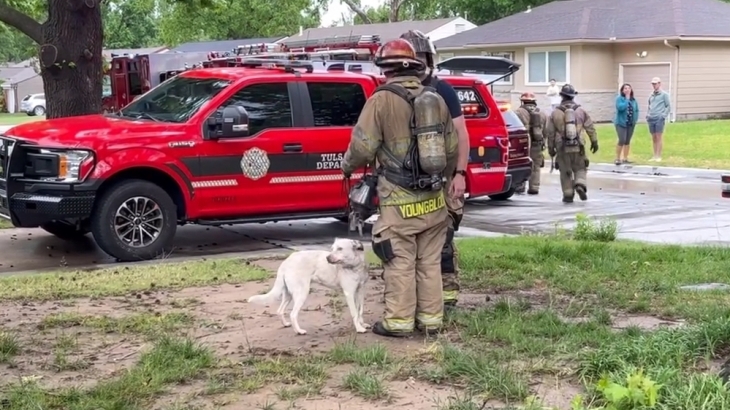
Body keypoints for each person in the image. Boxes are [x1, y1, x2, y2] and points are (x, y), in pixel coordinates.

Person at [341, 39, 458, 337]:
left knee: (399, 260)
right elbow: (451, 148)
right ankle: (431, 320)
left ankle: (398, 322)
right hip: (434, 200)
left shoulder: (380, 100)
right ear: (416, 68)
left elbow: (363, 148)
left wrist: (346, 167)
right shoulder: (436, 99)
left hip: (399, 202)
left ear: (385, 70)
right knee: (430, 261)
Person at [399, 29, 467, 309]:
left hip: (443, 181)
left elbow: (462, 134)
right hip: (405, 183)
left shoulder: (443, 90)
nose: (415, 62)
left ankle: (447, 298)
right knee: (408, 244)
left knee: (444, 241)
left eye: (419, 56)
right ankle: (416, 298)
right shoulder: (393, 90)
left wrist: (460, 175)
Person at [545, 84, 598, 203]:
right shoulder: (581, 111)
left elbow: (551, 133)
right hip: (579, 146)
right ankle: (580, 184)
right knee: (580, 168)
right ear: (573, 96)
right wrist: (594, 141)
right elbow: (590, 127)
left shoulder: (555, 113)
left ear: (562, 96)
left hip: (562, 147)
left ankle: (568, 194)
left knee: (565, 171)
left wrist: (551, 149)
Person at [514, 92, 548, 195]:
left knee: (522, 164)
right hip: (537, 144)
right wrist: (543, 143)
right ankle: (534, 187)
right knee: (536, 166)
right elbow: (546, 132)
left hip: (523, 145)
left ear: (522, 101)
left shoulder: (518, 112)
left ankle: (520, 186)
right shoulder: (542, 113)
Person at [647, 77, 671, 162]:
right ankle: (654, 155)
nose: (654, 85)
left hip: (659, 118)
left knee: (658, 136)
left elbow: (668, 106)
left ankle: (658, 155)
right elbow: (649, 105)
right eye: (653, 84)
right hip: (651, 118)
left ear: (659, 84)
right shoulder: (651, 95)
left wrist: (663, 115)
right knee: (653, 137)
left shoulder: (664, 95)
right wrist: (648, 114)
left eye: (655, 83)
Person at [614, 83, 639, 165]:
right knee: (622, 139)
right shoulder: (619, 99)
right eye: (625, 88)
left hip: (630, 123)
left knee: (627, 141)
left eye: (629, 88)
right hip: (621, 123)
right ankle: (617, 158)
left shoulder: (633, 100)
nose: (627, 90)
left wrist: (635, 120)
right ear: (622, 90)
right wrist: (627, 100)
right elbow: (620, 108)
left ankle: (625, 158)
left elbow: (636, 110)